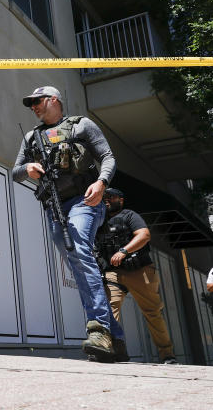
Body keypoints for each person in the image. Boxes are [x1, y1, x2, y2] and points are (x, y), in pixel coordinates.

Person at [11, 85, 126, 362]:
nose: (34, 107)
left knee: (80, 252)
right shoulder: (32, 137)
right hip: (55, 208)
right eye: (31, 104)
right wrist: (27, 169)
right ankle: (117, 339)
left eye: (37, 101)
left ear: (54, 100)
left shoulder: (81, 125)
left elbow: (107, 157)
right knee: (78, 262)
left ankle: (99, 329)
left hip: (85, 202)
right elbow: (15, 172)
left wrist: (101, 182)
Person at [94, 188, 178, 364]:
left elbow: (144, 235)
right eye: (104, 197)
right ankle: (110, 350)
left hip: (139, 270)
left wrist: (124, 251)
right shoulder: (99, 219)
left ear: (121, 200)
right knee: (109, 310)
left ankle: (167, 355)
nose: (107, 199)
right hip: (113, 272)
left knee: (152, 312)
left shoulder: (129, 215)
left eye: (111, 197)